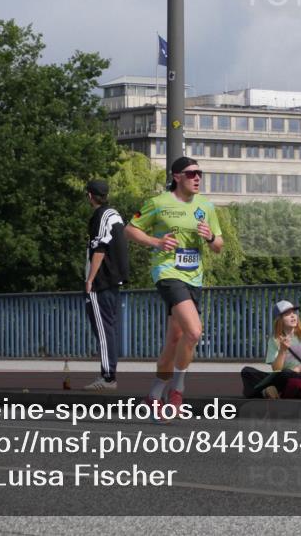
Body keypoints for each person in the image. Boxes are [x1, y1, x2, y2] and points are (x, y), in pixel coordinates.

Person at [126, 157, 223, 416]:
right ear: (177, 176)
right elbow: (130, 229)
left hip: (194, 277)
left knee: (175, 338)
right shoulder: (158, 203)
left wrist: (211, 237)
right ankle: (177, 390)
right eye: (191, 173)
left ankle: (154, 394)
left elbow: (218, 246)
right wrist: (156, 242)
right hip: (167, 273)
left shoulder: (206, 206)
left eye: (199, 173)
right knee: (194, 332)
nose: (197, 178)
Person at [83, 179, 129, 391]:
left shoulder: (101, 216)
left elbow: (99, 249)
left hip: (101, 281)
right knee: (109, 328)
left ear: (90, 196)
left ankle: (108, 376)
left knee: (102, 329)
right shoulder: (115, 215)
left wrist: (90, 279)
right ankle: (109, 373)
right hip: (114, 279)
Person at [241, 300, 301, 399]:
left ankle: (263, 392)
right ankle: (270, 391)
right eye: (287, 314)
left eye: (294, 313)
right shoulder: (274, 339)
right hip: (281, 376)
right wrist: (282, 350)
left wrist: (298, 369)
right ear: (279, 320)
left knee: (286, 373)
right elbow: (276, 369)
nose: (293, 316)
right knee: (247, 371)